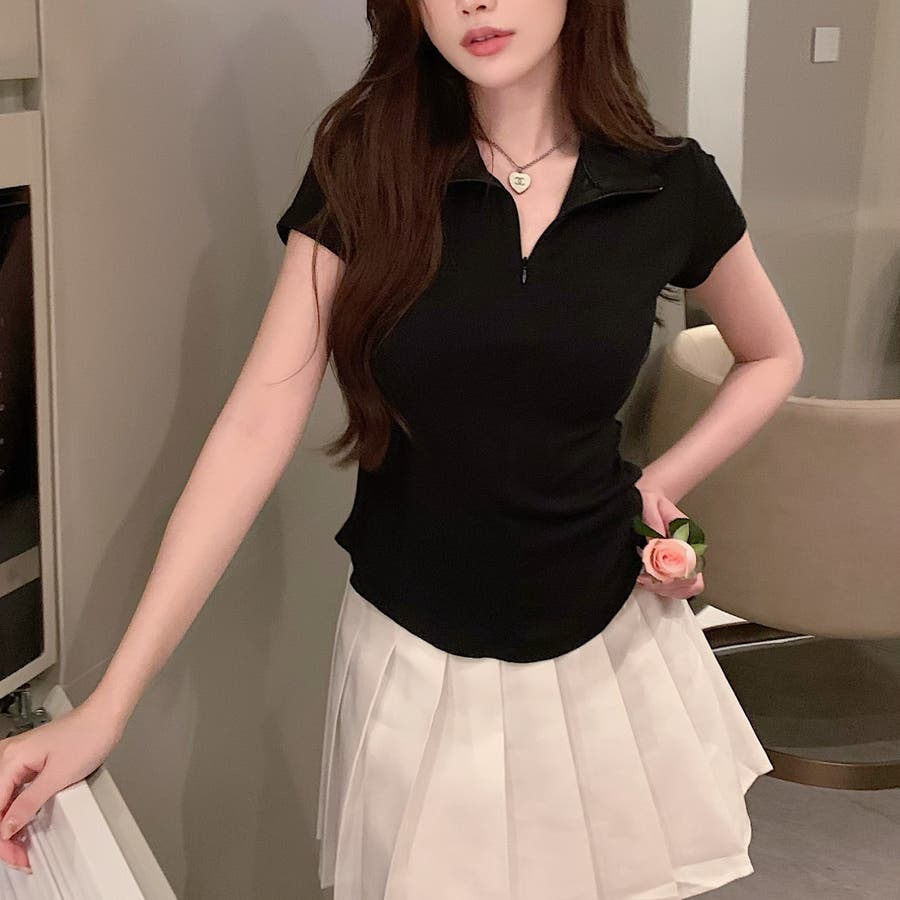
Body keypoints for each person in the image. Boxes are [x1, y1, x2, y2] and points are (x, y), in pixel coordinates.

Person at [0, 0, 804, 895]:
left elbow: (772, 355)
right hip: (420, 661)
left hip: (608, 645)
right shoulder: (366, 169)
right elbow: (255, 426)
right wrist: (107, 707)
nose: (474, 3)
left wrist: (658, 481)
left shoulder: (668, 183)